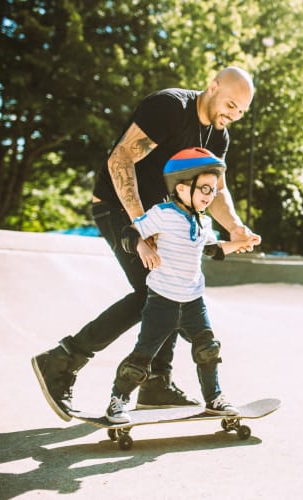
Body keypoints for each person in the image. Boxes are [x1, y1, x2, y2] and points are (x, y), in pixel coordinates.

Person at [32, 66, 258, 421]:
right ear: (212, 87)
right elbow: (120, 158)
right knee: (154, 293)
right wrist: (140, 225)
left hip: (164, 220)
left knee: (172, 285)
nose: (233, 115)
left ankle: (156, 384)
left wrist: (235, 227)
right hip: (119, 207)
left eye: (241, 111)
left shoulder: (218, 137)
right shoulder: (169, 107)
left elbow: (216, 189)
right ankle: (62, 359)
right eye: (230, 104)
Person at [106, 147, 261, 423]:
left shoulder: (203, 221)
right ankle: (118, 400)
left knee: (207, 348)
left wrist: (240, 242)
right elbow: (129, 233)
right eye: (204, 188)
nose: (209, 196)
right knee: (144, 355)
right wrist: (142, 246)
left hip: (193, 301)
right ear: (181, 188)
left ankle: (214, 397)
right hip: (162, 301)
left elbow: (212, 249)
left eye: (213, 190)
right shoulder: (163, 213)